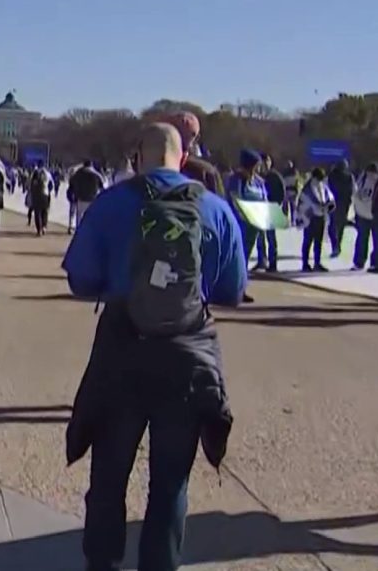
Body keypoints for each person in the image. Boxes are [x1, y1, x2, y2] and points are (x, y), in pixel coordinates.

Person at [63, 122, 245, 571]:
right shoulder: (215, 209)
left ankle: (102, 560)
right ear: (183, 159)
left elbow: (80, 279)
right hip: (186, 354)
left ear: (137, 159)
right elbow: (232, 289)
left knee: (109, 472)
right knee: (169, 482)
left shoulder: (111, 204)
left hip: (122, 348)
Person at [225, 149, 267, 302]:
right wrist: (246, 215)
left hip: (254, 225)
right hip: (240, 224)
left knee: (246, 258)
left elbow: (264, 200)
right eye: (256, 166)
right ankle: (232, 289)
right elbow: (236, 201)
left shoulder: (258, 182)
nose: (258, 169)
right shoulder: (236, 181)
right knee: (236, 258)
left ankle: (241, 288)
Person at [296, 167, 335, 272]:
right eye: (318, 179)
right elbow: (303, 203)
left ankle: (317, 263)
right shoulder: (307, 189)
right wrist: (309, 211)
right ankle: (305, 263)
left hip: (320, 217)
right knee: (308, 241)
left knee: (318, 242)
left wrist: (328, 206)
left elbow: (330, 198)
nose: (320, 181)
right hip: (310, 218)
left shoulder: (323, 186)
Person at [260, 155, 286, 272]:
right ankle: (262, 260)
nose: (265, 165)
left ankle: (273, 262)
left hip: (271, 208)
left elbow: (282, 191)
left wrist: (277, 204)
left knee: (271, 237)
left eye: (267, 162)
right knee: (260, 237)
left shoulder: (274, 176)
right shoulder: (258, 176)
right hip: (260, 209)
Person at [351, 163, 378, 271]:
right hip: (364, 214)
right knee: (363, 239)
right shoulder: (362, 180)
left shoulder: (376, 181)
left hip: (372, 214)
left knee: (371, 240)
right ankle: (361, 262)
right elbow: (356, 194)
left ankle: (369, 262)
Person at [326, 159, 354, 257]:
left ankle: (336, 245)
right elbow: (352, 190)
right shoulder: (349, 176)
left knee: (332, 226)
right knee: (340, 226)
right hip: (343, 204)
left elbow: (327, 189)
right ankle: (337, 245)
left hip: (334, 204)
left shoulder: (332, 175)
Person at [69, 160, 107, 225]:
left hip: (81, 197)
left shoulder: (78, 173)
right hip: (92, 198)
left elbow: (71, 183)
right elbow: (103, 186)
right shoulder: (96, 174)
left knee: (79, 215)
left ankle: (79, 229)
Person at [28, 160, 54, 236]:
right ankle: (44, 226)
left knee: (37, 212)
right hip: (45, 194)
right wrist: (49, 191)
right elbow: (51, 184)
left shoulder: (35, 173)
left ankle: (39, 229)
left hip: (36, 195)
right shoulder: (47, 174)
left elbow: (31, 184)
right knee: (45, 211)